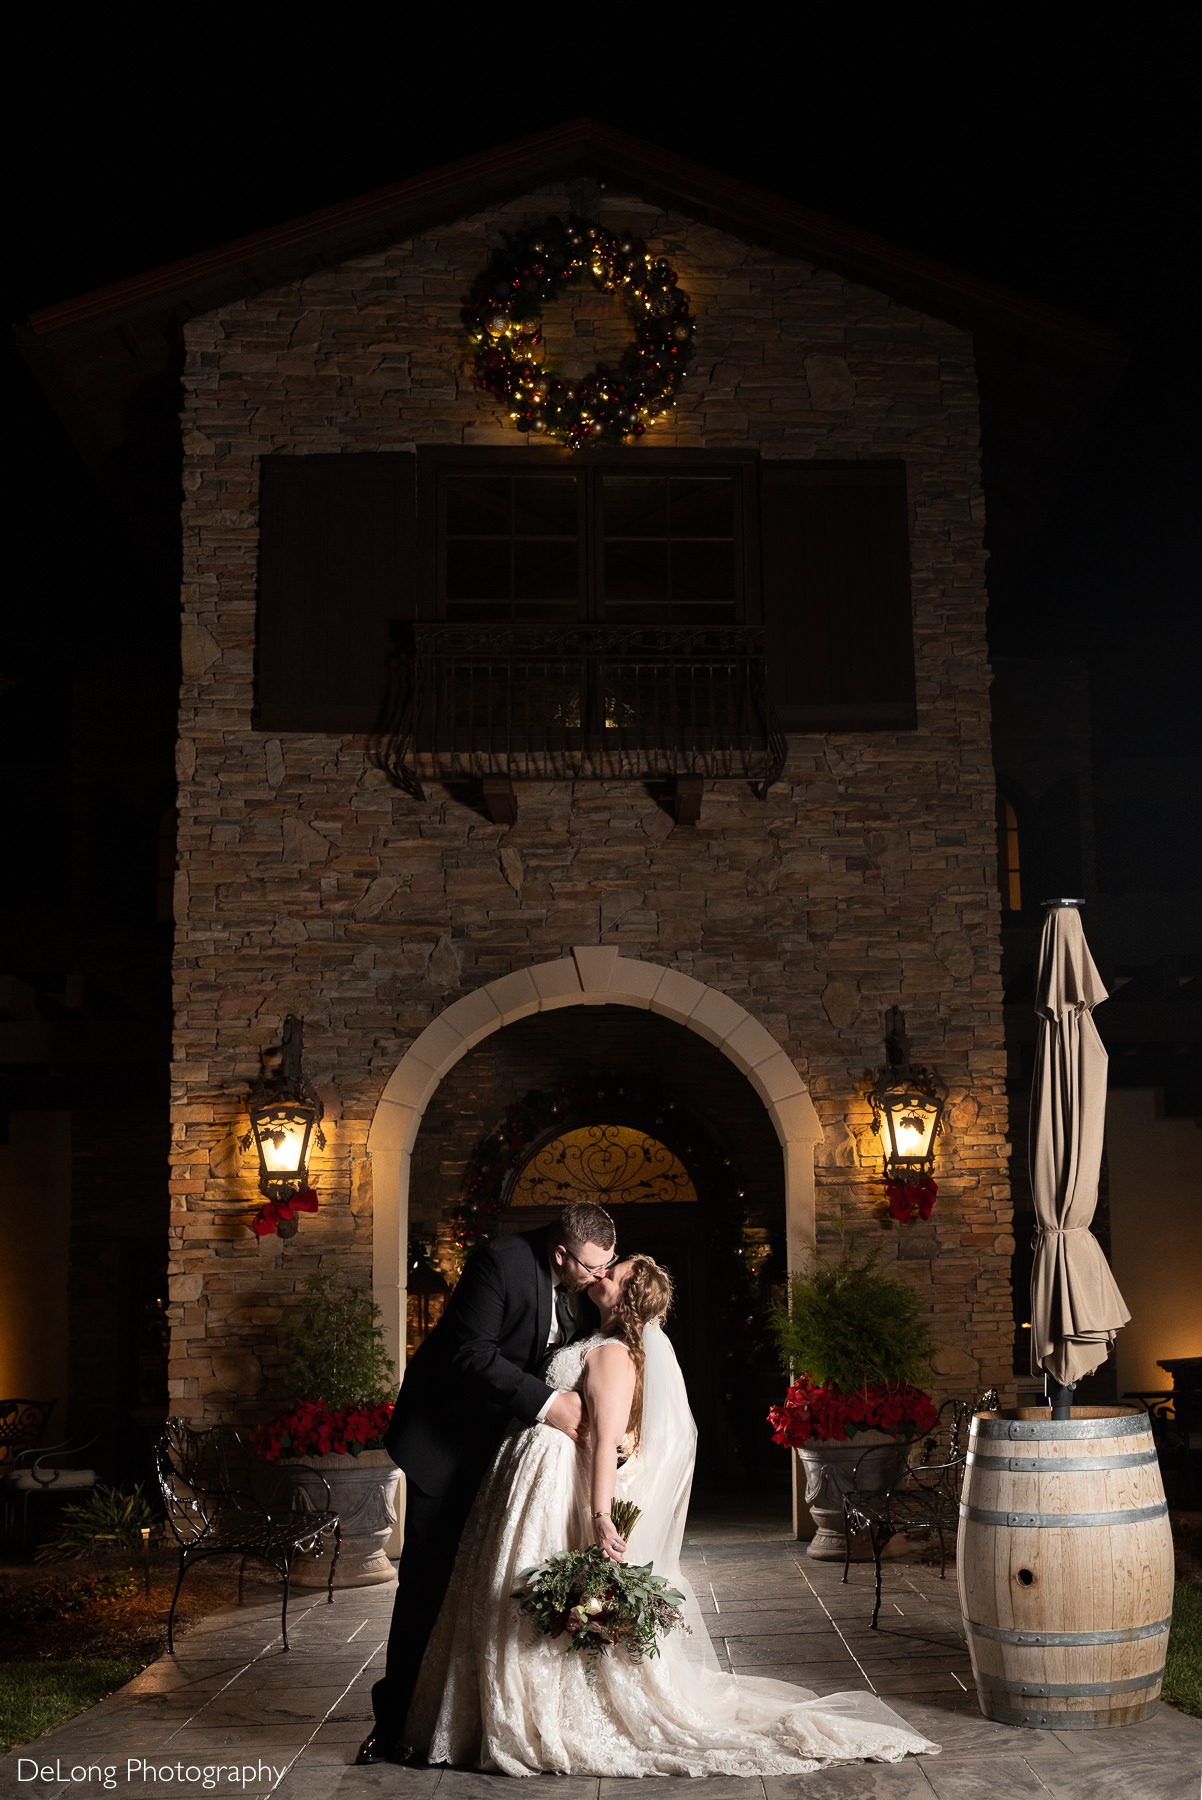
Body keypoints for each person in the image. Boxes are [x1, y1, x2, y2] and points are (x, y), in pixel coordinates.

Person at [404, 1256, 941, 1778]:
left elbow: (606, 1443)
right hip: (532, 1481)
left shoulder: (613, 1355)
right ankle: (490, 1712)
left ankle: (536, 1715)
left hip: (557, 1486)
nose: (602, 1274)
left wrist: (598, 1515)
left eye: (613, 1273)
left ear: (628, 1298)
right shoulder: (588, 1339)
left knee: (527, 1601)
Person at [355, 1201, 617, 1767]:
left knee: (485, 1592)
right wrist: (549, 1405)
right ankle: (393, 1725)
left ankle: (461, 1721)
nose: (599, 1278)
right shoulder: (500, 1261)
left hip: (503, 1459)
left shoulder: (584, 1288)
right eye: (592, 1269)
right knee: (427, 1586)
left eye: (608, 1267)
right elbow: (469, 1354)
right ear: (559, 1253)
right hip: (445, 1447)